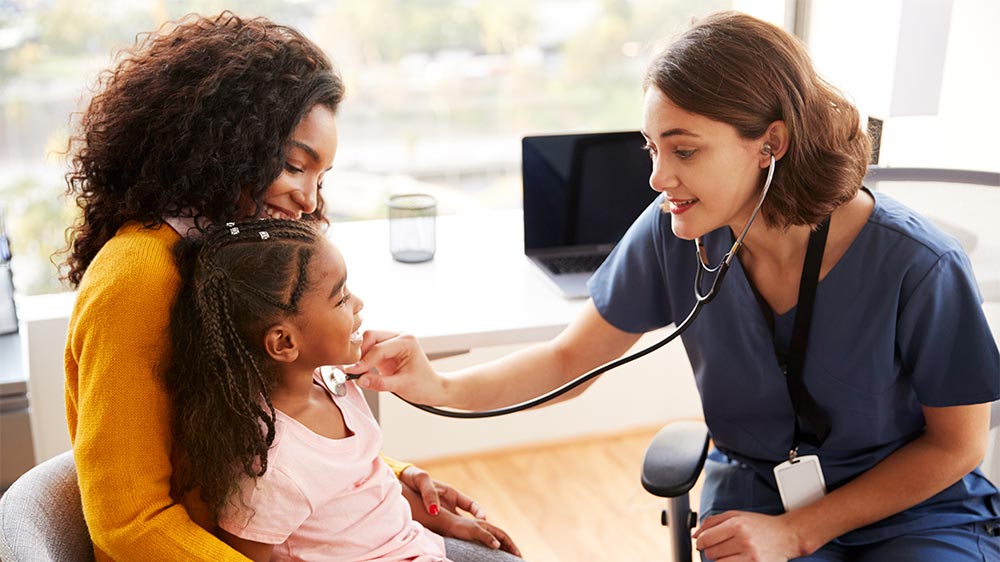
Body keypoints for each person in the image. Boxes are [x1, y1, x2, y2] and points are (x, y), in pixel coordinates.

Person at [349, 11, 1000, 562]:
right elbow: (571, 360)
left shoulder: (918, 265)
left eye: (684, 151)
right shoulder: (676, 233)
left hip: (911, 508)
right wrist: (437, 387)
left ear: (770, 144)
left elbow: (958, 444)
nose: (659, 178)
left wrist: (800, 531)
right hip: (759, 493)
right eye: (651, 149)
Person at [62, 12, 508, 561]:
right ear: (226, 142)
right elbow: (129, 523)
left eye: (321, 178)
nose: (311, 200)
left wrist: (395, 483)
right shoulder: (136, 279)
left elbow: (274, 440)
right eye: (296, 166)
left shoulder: (225, 256)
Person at [165, 219, 522, 562]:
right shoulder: (274, 471)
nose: (358, 304)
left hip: (415, 545)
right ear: (284, 342)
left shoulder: (333, 381)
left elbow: (366, 489)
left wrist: (444, 521)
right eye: (341, 299)